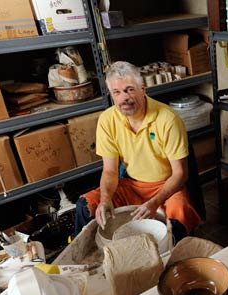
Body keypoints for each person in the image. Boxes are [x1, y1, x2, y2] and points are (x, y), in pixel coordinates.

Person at [74, 61, 202, 240]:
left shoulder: (168, 120)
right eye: (116, 93)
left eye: (130, 89)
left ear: (143, 88)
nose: (123, 98)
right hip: (131, 186)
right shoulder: (107, 120)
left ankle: (174, 263)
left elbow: (180, 174)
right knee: (86, 205)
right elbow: (110, 171)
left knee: (178, 214)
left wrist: (155, 202)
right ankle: (91, 261)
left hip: (165, 186)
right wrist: (105, 200)